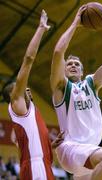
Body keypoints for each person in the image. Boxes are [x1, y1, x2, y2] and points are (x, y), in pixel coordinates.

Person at [50, 5, 102, 180]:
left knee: (101, 162)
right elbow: (58, 52)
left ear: (82, 71)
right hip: (71, 148)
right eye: (69, 64)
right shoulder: (61, 87)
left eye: (77, 64)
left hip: (89, 152)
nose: (73, 65)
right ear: (64, 71)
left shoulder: (91, 84)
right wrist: (75, 23)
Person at [2, 10, 64, 180]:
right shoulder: (17, 102)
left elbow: (22, 142)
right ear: (14, 94)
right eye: (21, 88)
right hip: (36, 167)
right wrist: (41, 29)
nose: (26, 88)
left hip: (41, 165)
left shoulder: (24, 114)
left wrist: (49, 145)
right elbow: (28, 59)